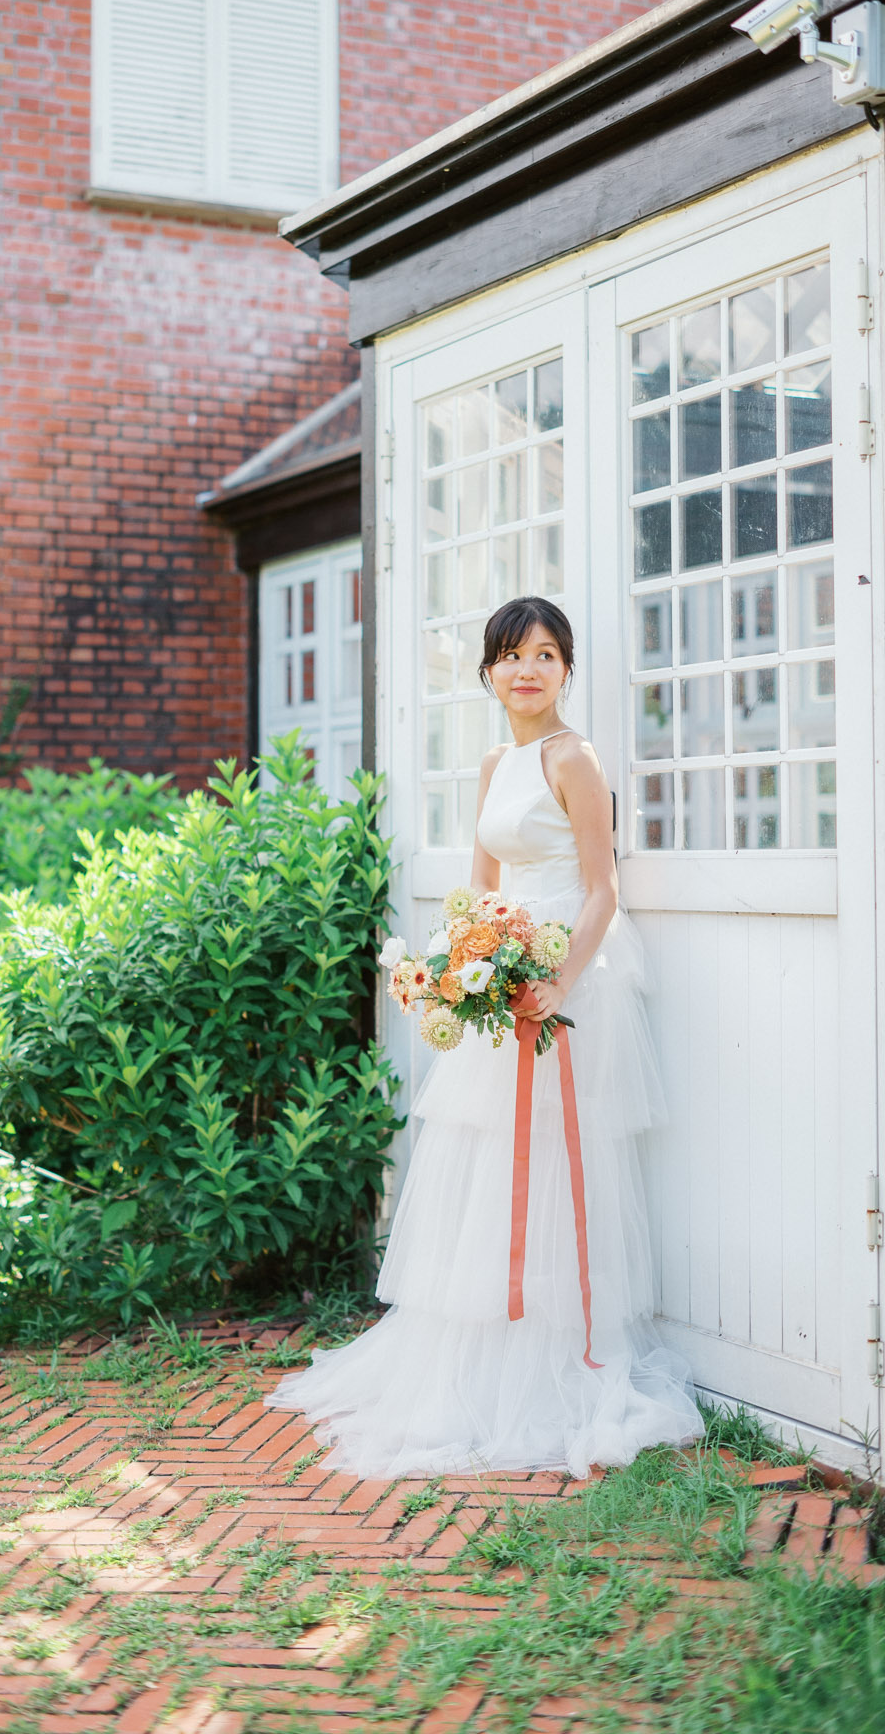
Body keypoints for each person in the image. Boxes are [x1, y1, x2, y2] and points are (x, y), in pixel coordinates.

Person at [266, 595, 702, 1478]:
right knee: (484, 1161)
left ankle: (551, 1356)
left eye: (545, 654)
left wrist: (555, 981)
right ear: (489, 673)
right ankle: (477, 1354)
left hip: (563, 979)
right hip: (497, 975)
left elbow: (601, 890)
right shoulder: (497, 760)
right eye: (511, 655)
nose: (528, 669)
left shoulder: (573, 759)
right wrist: (452, 966)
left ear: (566, 670)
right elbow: (477, 890)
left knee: (549, 1160)